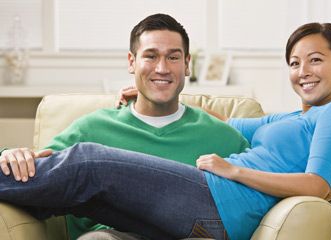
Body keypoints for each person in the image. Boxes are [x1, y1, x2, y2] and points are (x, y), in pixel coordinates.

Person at [0, 20, 331, 240]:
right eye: (295, 62)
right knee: (87, 195)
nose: (303, 71)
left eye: (316, 60)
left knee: (88, 160)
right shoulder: (291, 120)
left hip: (219, 200)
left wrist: (235, 171)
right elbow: (224, 120)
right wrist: (152, 87)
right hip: (212, 210)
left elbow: (317, 184)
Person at [0, 14, 248, 239]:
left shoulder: (223, 137)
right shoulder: (92, 127)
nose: (162, 68)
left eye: (173, 57)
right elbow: (43, 173)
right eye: (150, 56)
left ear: (187, 64)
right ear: (132, 62)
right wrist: (9, 156)